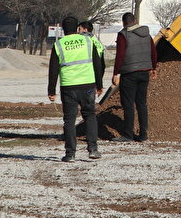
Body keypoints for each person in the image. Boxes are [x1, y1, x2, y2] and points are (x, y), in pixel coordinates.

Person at [48, 15, 105, 162]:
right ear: (77, 28)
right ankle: (93, 149)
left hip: (68, 87)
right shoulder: (87, 41)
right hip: (87, 84)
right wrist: (99, 84)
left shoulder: (59, 44)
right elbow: (97, 64)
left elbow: (53, 69)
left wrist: (51, 91)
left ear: (63, 29)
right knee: (90, 116)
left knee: (69, 120)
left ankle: (70, 154)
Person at [113, 12, 157, 142]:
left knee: (128, 104)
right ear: (135, 21)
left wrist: (116, 73)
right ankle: (143, 135)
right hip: (144, 72)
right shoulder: (147, 34)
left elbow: (120, 55)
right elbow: (153, 51)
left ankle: (128, 135)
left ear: (123, 22)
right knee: (141, 103)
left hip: (129, 73)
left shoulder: (123, 35)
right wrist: (153, 67)